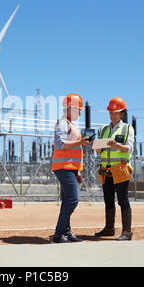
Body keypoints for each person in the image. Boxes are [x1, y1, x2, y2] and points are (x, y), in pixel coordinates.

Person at [51, 93, 92, 243]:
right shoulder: (62, 123)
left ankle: (66, 232)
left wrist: (78, 171)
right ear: (71, 108)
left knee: (67, 200)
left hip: (70, 168)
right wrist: (80, 142)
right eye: (78, 109)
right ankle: (58, 235)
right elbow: (60, 144)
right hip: (64, 167)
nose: (80, 112)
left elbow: (74, 151)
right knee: (73, 200)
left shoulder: (70, 124)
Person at [95, 97, 135, 241]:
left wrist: (116, 145)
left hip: (121, 169)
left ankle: (127, 232)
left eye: (116, 113)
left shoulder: (127, 128)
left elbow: (129, 149)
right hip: (106, 170)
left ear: (122, 114)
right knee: (108, 200)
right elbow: (99, 152)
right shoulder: (104, 129)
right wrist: (98, 147)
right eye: (111, 112)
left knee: (123, 200)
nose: (113, 115)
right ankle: (109, 229)